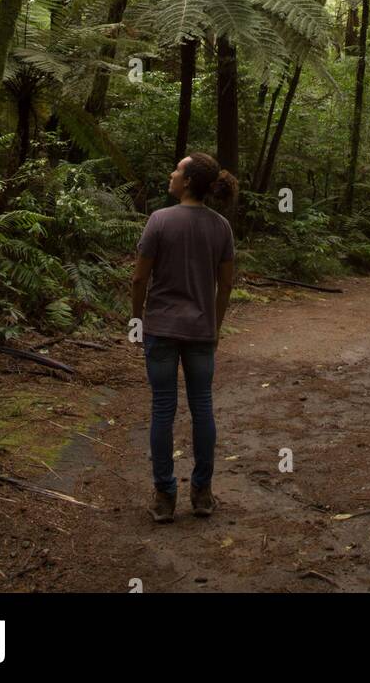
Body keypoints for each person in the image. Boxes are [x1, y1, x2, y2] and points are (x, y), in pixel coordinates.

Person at [131, 152, 237, 523]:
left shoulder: (159, 220)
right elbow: (225, 284)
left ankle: (164, 496)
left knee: (163, 408)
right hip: (200, 332)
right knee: (202, 406)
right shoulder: (221, 226)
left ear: (189, 181)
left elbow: (139, 278)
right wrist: (215, 326)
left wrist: (135, 317)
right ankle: (202, 493)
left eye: (177, 169)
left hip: (160, 329)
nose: (171, 173)